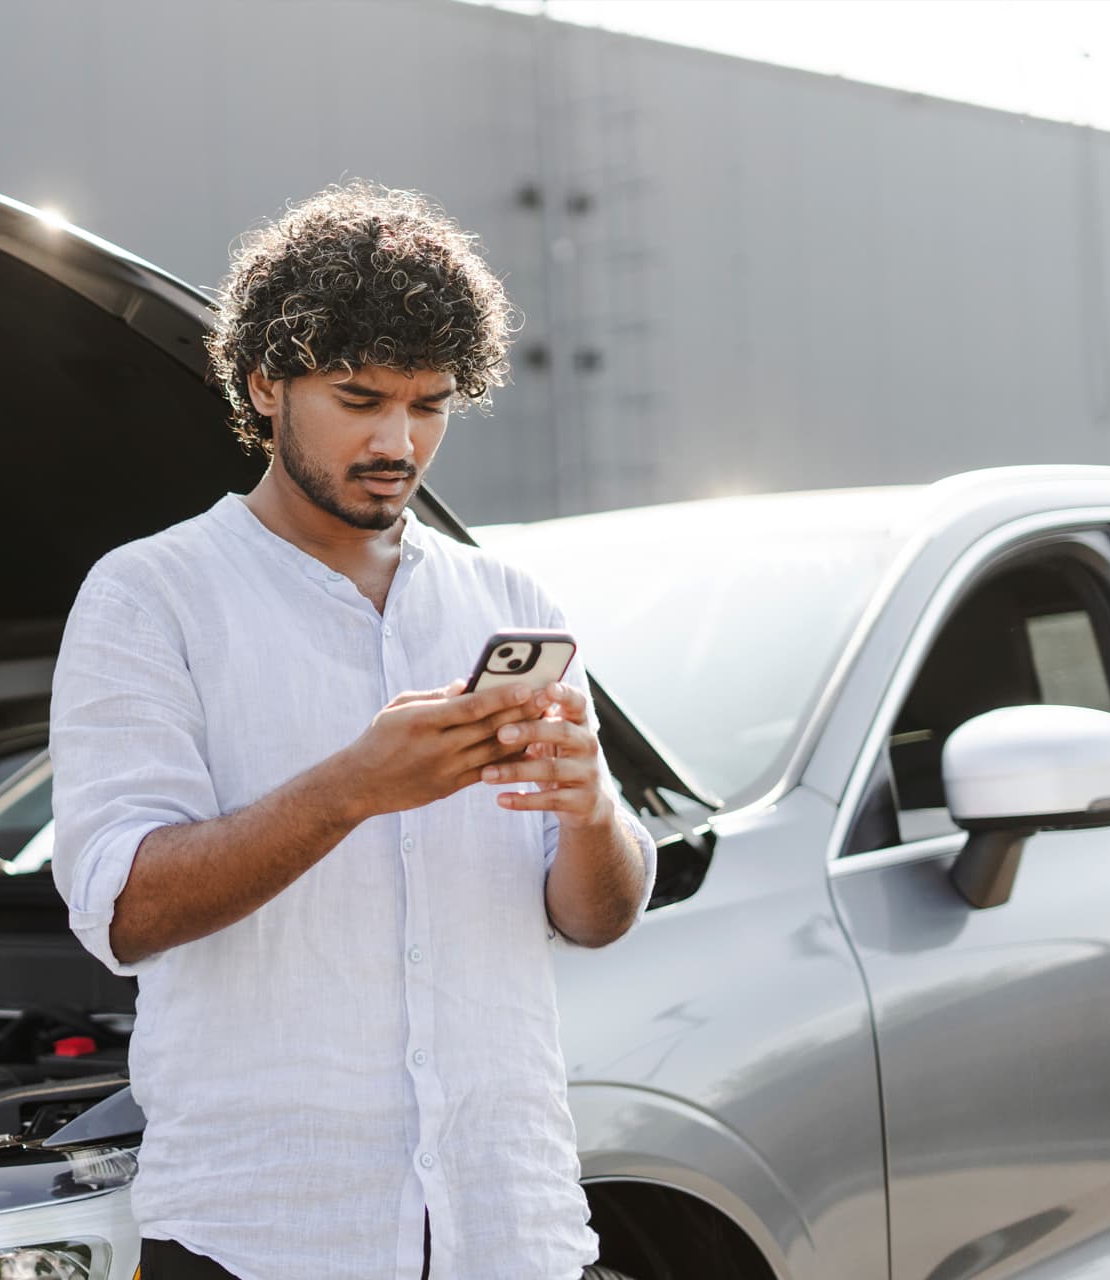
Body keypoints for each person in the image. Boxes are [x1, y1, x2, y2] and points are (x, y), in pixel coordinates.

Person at [49, 182, 657, 1280]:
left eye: (428, 404)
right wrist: (353, 787)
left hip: (505, 1221)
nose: (398, 438)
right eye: (359, 395)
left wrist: (589, 809)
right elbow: (124, 909)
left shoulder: (512, 598)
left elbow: (598, 917)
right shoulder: (149, 595)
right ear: (263, 385)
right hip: (265, 1229)